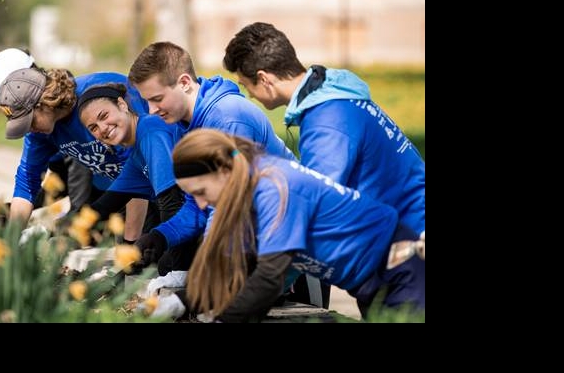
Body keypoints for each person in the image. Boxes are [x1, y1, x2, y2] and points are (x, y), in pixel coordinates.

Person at [168, 129, 424, 322]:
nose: (201, 204)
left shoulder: (273, 186)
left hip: (397, 268)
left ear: (223, 170)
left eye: (201, 191)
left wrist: (223, 319)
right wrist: (183, 301)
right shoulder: (246, 186)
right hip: (369, 279)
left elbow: (269, 277)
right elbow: (239, 268)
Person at [223, 22, 425, 235]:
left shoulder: (327, 120)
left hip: (411, 234)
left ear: (264, 79)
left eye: (246, 85)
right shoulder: (332, 93)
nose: (250, 95)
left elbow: (314, 203)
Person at [128, 41, 297, 268]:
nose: (151, 110)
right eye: (146, 101)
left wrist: (207, 271)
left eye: (157, 99)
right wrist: (161, 236)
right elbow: (199, 201)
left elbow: (227, 204)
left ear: (185, 83)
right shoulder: (184, 124)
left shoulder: (228, 118)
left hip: (291, 237)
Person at [0, 66, 150, 240]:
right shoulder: (40, 132)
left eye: (30, 121)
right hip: (123, 192)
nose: (29, 130)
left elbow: (137, 168)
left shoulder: (97, 100)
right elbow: (27, 183)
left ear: (43, 103)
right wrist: (12, 240)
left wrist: (131, 243)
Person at [77, 83, 199, 282]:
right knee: (157, 262)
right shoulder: (136, 154)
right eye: (93, 128)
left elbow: (172, 202)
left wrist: (179, 273)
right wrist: (68, 231)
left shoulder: (150, 130)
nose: (103, 129)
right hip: (195, 218)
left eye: (104, 116)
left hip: (215, 217)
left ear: (122, 105)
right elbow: (105, 205)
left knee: (166, 266)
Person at [0, 48, 92, 210]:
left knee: (81, 216)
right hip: (62, 165)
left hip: (90, 167)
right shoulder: (36, 125)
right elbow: (31, 180)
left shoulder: (69, 105)